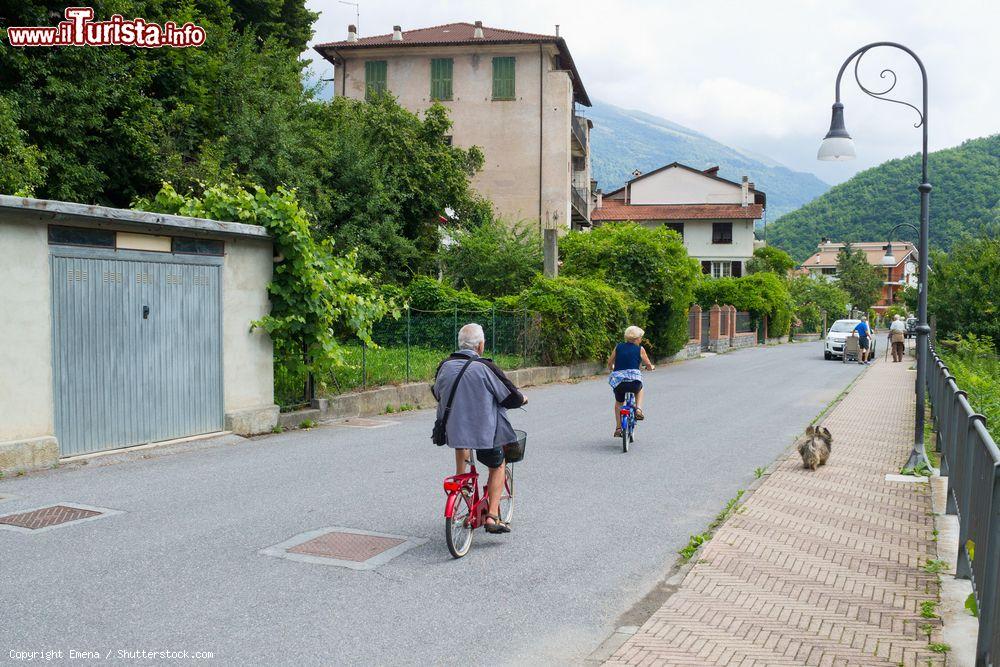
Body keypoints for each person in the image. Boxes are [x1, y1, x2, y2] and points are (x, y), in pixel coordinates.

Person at [432, 323, 526, 534]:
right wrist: (523, 399)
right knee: (498, 464)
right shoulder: (486, 367)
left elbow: (437, 393)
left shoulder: (444, 367)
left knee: (462, 443)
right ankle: (492, 516)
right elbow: (511, 397)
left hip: (453, 432)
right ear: (480, 345)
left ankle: (462, 483)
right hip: (485, 434)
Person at [607, 325, 655, 438]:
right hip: (634, 382)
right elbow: (648, 364)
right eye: (641, 337)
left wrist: (612, 368)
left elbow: (609, 363)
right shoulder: (640, 349)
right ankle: (638, 409)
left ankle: (618, 428)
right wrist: (650, 367)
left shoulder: (618, 347)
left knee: (619, 403)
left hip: (619, 383)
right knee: (640, 388)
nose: (641, 339)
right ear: (637, 338)